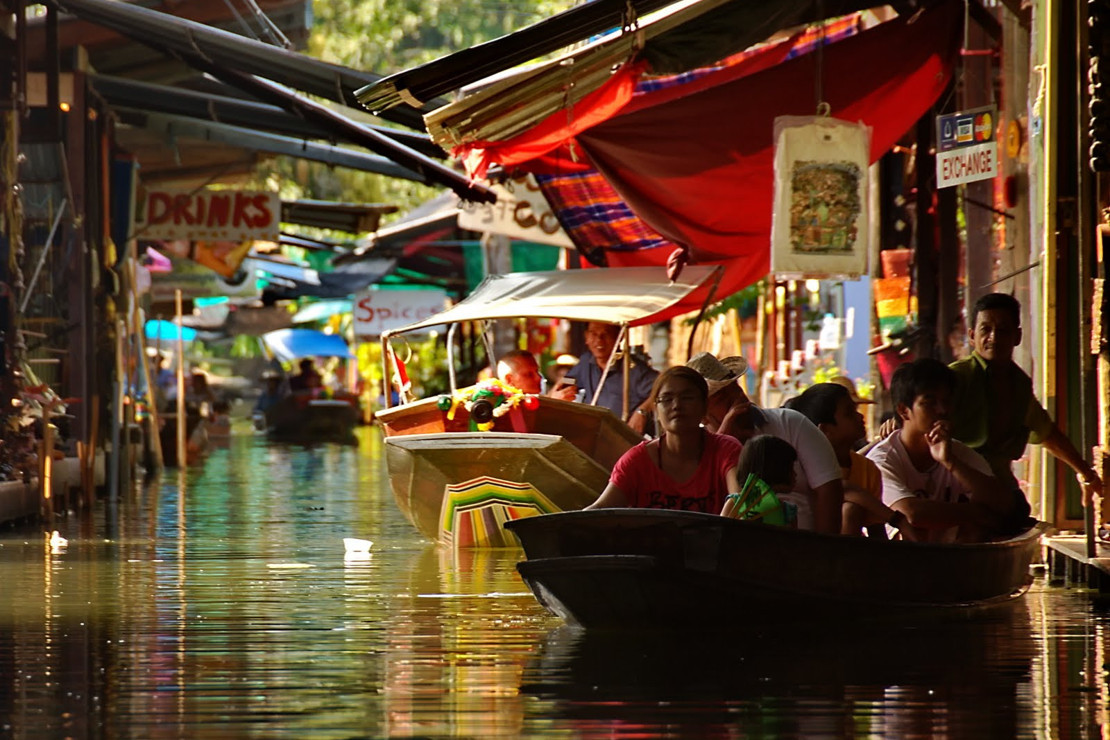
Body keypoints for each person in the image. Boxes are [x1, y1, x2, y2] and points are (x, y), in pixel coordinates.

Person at [948, 293, 1103, 532]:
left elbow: (1046, 432)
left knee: (1020, 512)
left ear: (1017, 336)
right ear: (972, 336)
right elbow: (922, 412)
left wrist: (1087, 475)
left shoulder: (1019, 383)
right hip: (956, 481)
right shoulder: (957, 377)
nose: (994, 338)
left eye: (1003, 330)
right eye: (985, 329)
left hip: (999, 485)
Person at [686, 352, 844, 534]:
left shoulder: (791, 423)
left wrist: (822, 550)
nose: (737, 399)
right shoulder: (696, 450)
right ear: (703, 415)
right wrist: (724, 442)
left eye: (736, 388)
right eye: (722, 399)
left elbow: (829, 488)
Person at [866, 358, 1015, 542]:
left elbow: (1004, 504)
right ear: (904, 411)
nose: (942, 410)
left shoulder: (957, 453)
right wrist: (975, 512)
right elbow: (911, 514)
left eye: (946, 401)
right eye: (930, 402)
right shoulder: (882, 460)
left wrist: (950, 462)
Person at [586, 366, 742, 513]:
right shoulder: (637, 460)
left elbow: (739, 498)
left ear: (704, 406)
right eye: (667, 399)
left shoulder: (726, 449)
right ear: (656, 410)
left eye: (687, 397)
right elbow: (601, 508)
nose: (676, 406)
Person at [786, 382, 914, 539]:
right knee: (850, 510)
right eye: (849, 413)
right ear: (826, 430)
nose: (860, 416)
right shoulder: (803, 464)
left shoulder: (866, 468)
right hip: (808, 547)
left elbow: (876, 529)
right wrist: (898, 520)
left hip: (851, 552)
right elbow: (843, 489)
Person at [562, 322, 657, 434]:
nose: (599, 340)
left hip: (624, 438)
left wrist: (642, 412)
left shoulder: (633, 369)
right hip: (594, 435)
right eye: (594, 334)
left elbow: (662, 387)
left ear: (619, 337)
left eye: (606, 334)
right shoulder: (586, 362)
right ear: (586, 337)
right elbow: (564, 383)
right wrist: (556, 395)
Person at [721, 434, 797, 525]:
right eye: (791, 468)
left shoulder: (788, 511)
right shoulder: (735, 503)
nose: (795, 474)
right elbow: (720, 533)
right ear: (775, 469)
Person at [496, 349, 576, 399]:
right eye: (529, 375)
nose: (538, 378)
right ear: (509, 379)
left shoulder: (543, 399)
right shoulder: (500, 408)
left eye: (537, 371)